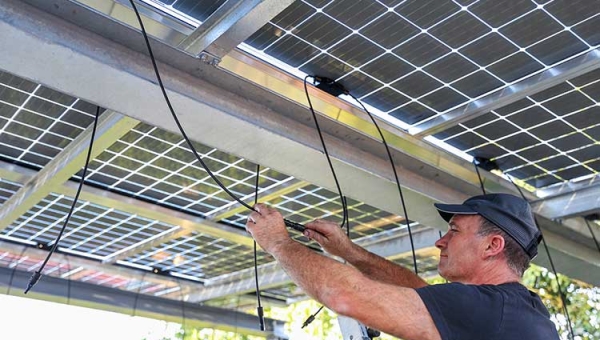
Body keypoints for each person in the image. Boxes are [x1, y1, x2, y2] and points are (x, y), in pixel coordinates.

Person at [246, 193, 560, 340]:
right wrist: (348, 251)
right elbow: (419, 294)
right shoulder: (517, 311)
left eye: (454, 231)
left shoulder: (492, 309)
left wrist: (278, 243)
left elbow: (344, 295)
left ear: (493, 246)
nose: (440, 242)